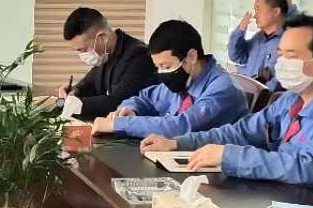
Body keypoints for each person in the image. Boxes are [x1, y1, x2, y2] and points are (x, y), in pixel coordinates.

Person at [141, 16, 313, 208]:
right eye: (280, 54)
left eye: (291, 55)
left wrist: (229, 156)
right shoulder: (292, 97)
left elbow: (305, 169)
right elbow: (243, 131)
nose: (281, 62)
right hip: (284, 203)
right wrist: (179, 143)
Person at [91, 20, 247, 140]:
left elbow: (181, 126)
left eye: (166, 66)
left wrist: (118, 124)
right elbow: (146, 98)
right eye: (158, 67)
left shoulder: (223, 89)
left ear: (191, 56)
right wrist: (131, 109)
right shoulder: (185, 79)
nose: (162, 73)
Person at [58, 7, 158, 119]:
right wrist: (74, 92)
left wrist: (77, 104)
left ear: (102, 37)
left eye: (84, 49)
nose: (82, 55)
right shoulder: (104, 56)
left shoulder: (139, 56)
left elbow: (118, 102)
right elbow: (87, 85)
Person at [227, 0, 288, 83]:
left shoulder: (288, 42)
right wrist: (240, 30)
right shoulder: (258, 38)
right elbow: (237, 56)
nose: (255, 16)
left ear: (276, 12)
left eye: (258, 9)